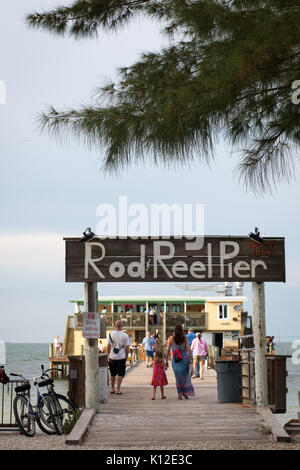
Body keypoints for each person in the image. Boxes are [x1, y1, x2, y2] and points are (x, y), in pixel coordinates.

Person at [166, 324, 195, 400]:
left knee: (178, 378)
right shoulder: (184, 338)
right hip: (185, 359)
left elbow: (168, 350)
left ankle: (179, 394)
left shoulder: (171, 339)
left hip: (176, 360)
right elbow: (189, 349)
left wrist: (166, 360)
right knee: (185, 377)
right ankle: (185, 393)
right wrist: (191, 359)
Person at [107, 320, 130, 395]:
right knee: (120, 374)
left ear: (115, 326)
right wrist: (126, 357)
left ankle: (112, 389)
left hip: (112, 357)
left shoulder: (110, 334)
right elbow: (127, 348)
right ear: (121, 326)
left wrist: (108, 355)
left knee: (112, 373)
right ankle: (118, 390)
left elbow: (108, 346)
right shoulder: (125, 335)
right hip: (121, 357)